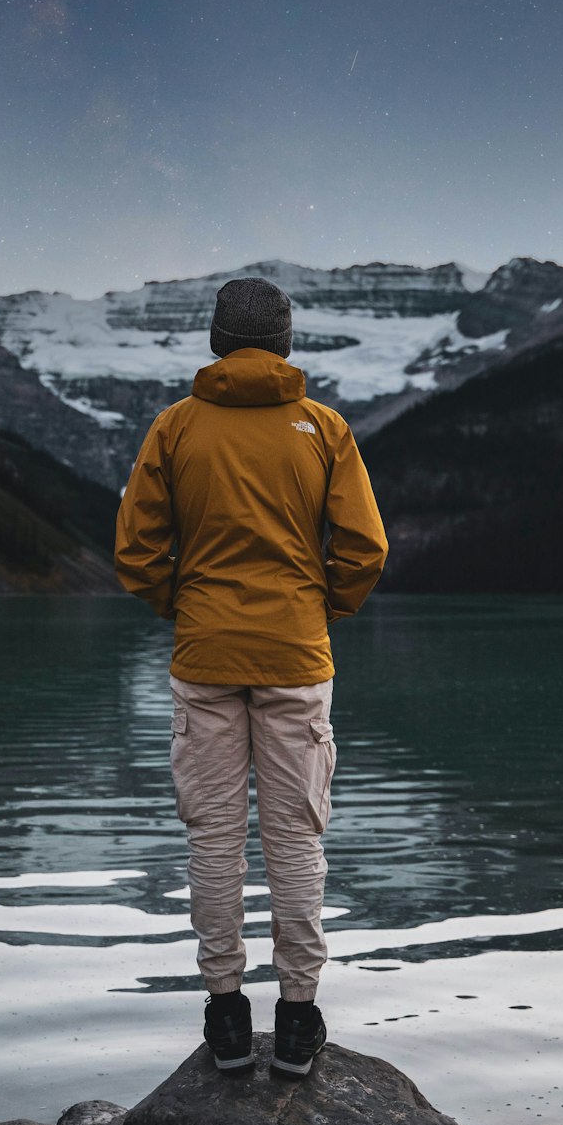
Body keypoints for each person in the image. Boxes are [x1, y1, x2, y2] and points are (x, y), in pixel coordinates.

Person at [115, 276, 388, 1077]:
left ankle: (226, 1019)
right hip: (297, 656)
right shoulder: (325, 428)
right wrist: (314, 609)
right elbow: (365, 550)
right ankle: (298, 1020)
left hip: (204, 655)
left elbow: (136, 552)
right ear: (284, 344)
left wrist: (188, 604)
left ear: (217, 342)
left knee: (213, 839)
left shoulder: (174, 427)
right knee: (297, 840)